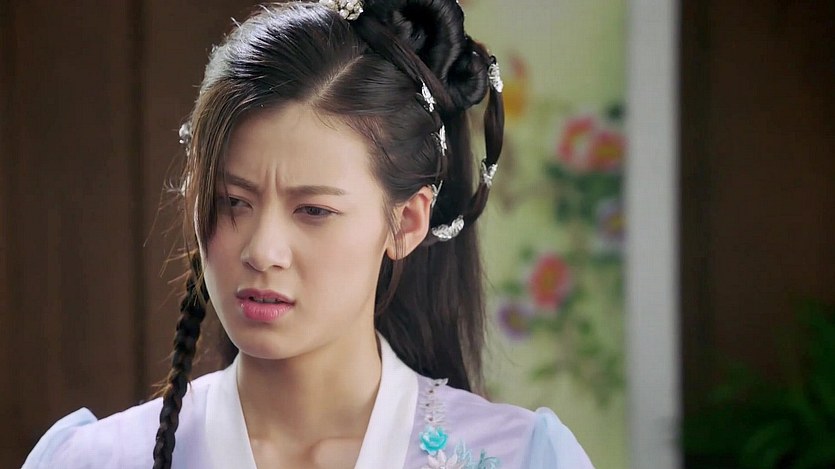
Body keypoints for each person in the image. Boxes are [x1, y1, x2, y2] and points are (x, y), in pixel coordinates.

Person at [23, 1, 594, 468]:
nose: (262, 251)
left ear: (406, 222)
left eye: (314, 210)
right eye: (233, 202)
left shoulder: (520, 457)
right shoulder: (95, 460)